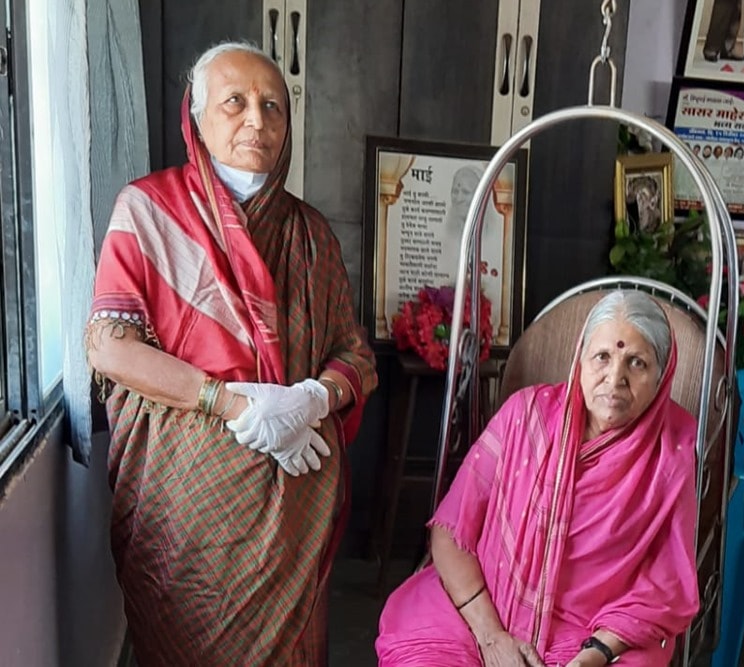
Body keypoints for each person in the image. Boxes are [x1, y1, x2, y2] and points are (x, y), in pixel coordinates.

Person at [86, 41, 377, 665]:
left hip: (292, 517)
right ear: (196, 118)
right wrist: (229, 402)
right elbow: (110, 346)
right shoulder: (148, 211)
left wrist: (312, 396)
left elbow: (354, 353)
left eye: (274, 107)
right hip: (182, 515)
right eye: (235, 103)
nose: (257, 121)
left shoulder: (311, 235)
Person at [376, 290, 701, 667]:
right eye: (603, 357)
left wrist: (594, 655)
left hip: (595, 633)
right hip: (480, 609)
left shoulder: (671, 451)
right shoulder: (525, 416)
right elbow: (450, 532)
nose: (616, 378)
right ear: (580, 359)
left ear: (662, 377)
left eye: (637, 363)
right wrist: (491, 636)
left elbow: (664, 585)